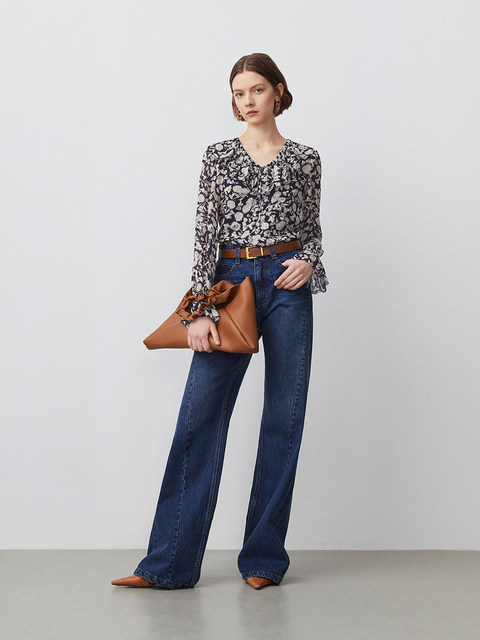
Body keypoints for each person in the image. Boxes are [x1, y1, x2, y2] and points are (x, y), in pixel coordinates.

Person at [111, 52, 329, 591]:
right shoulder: (219, 156)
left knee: (284, 418)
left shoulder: (306, 159)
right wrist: (199, 311)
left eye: (256, 89)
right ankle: (168, 564)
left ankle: (263, 560)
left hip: (288, 285)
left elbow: (313, 232)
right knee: (200, 416)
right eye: (238, 93)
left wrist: (309, 260)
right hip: (231, 285)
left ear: (278, 91)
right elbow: (204, 236)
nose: (247, 101)